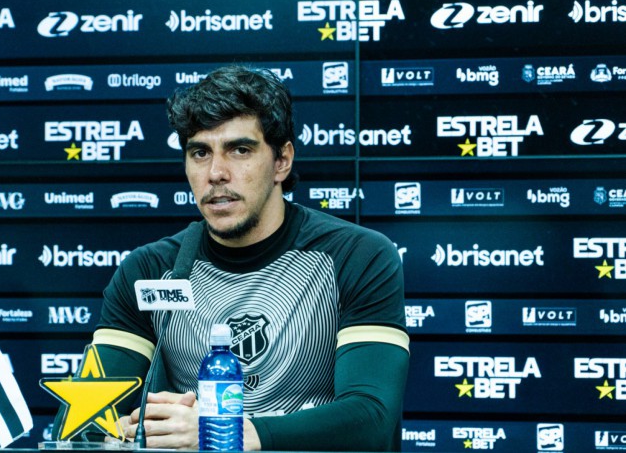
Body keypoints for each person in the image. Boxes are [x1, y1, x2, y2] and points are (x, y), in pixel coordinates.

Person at [70, 65, 409, 451]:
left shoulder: (355, 255)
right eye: (200, 152)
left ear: (282, 160)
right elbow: (86, 424)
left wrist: (223, 432)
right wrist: (138, 430)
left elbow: (372, 419)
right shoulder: (149, 271)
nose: (216, 173)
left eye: (240, 150)